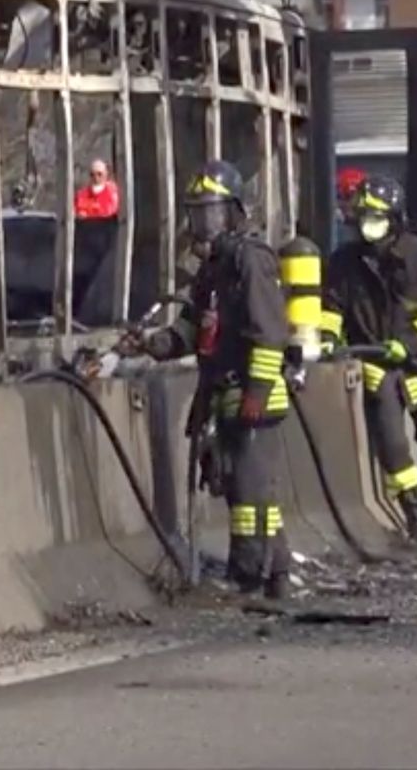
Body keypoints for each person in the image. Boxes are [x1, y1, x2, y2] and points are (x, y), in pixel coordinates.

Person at [137, 160, 294, 598]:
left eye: (212, 212)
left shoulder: (251, 259)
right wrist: (153, 344)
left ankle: (246, 578)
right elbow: (192, 329)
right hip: (223, 392)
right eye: (197, 213)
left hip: (253, 394)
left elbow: (269, 333)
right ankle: (277, 573)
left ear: (235, 212)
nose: (203, 223)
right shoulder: (211, 270)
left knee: (248, 495)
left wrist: (256, 395)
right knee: (247, 488)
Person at [322, 174, 417, 547]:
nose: (367, 223)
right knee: (392, 446)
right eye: (363, 215)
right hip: (377, 368)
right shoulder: (344, 263)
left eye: (376, 216)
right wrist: (327, 338)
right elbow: (332, 308)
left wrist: (409, 343)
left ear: (395, 219)